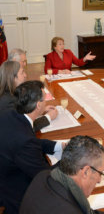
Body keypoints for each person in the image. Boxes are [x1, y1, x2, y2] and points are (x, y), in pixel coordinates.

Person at [0, 80, 64, 214]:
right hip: (15, 194)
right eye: (45, 98)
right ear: (38, 105)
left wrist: (57, 146)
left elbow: (30, 143)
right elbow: (46, 177)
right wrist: (71, 158)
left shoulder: (11, 115)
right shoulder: (24, 140)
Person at [20, 135, 104, 214]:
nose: (99, 180)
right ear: (86, 171)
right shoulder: (69, 210)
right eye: (100, 173)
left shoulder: (44, 175)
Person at [0, 60, 58, 132]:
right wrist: (48, 117)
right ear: (13, 78)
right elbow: (24, 127)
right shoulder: (9, 102)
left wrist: (39, 109)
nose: (25, 75)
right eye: (22, 73)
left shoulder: (10, 93)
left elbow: (23, 114)